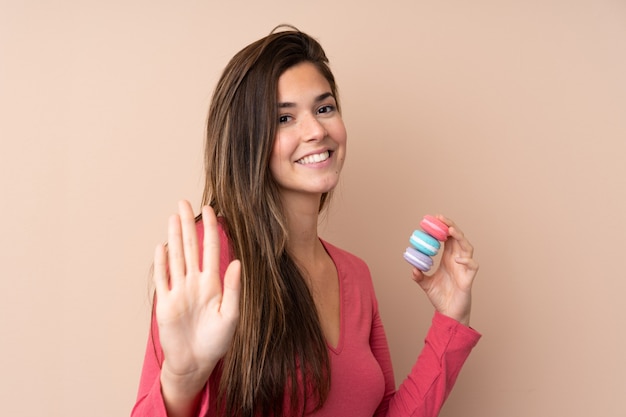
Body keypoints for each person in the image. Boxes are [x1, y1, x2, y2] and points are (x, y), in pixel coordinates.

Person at [131, 25, 481, 417]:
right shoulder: (212, 256)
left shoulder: (356, 275)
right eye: (284, 118)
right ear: (248, 141)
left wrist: (452, 319)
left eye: (324, 108)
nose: (316, 130)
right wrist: (182, 379)